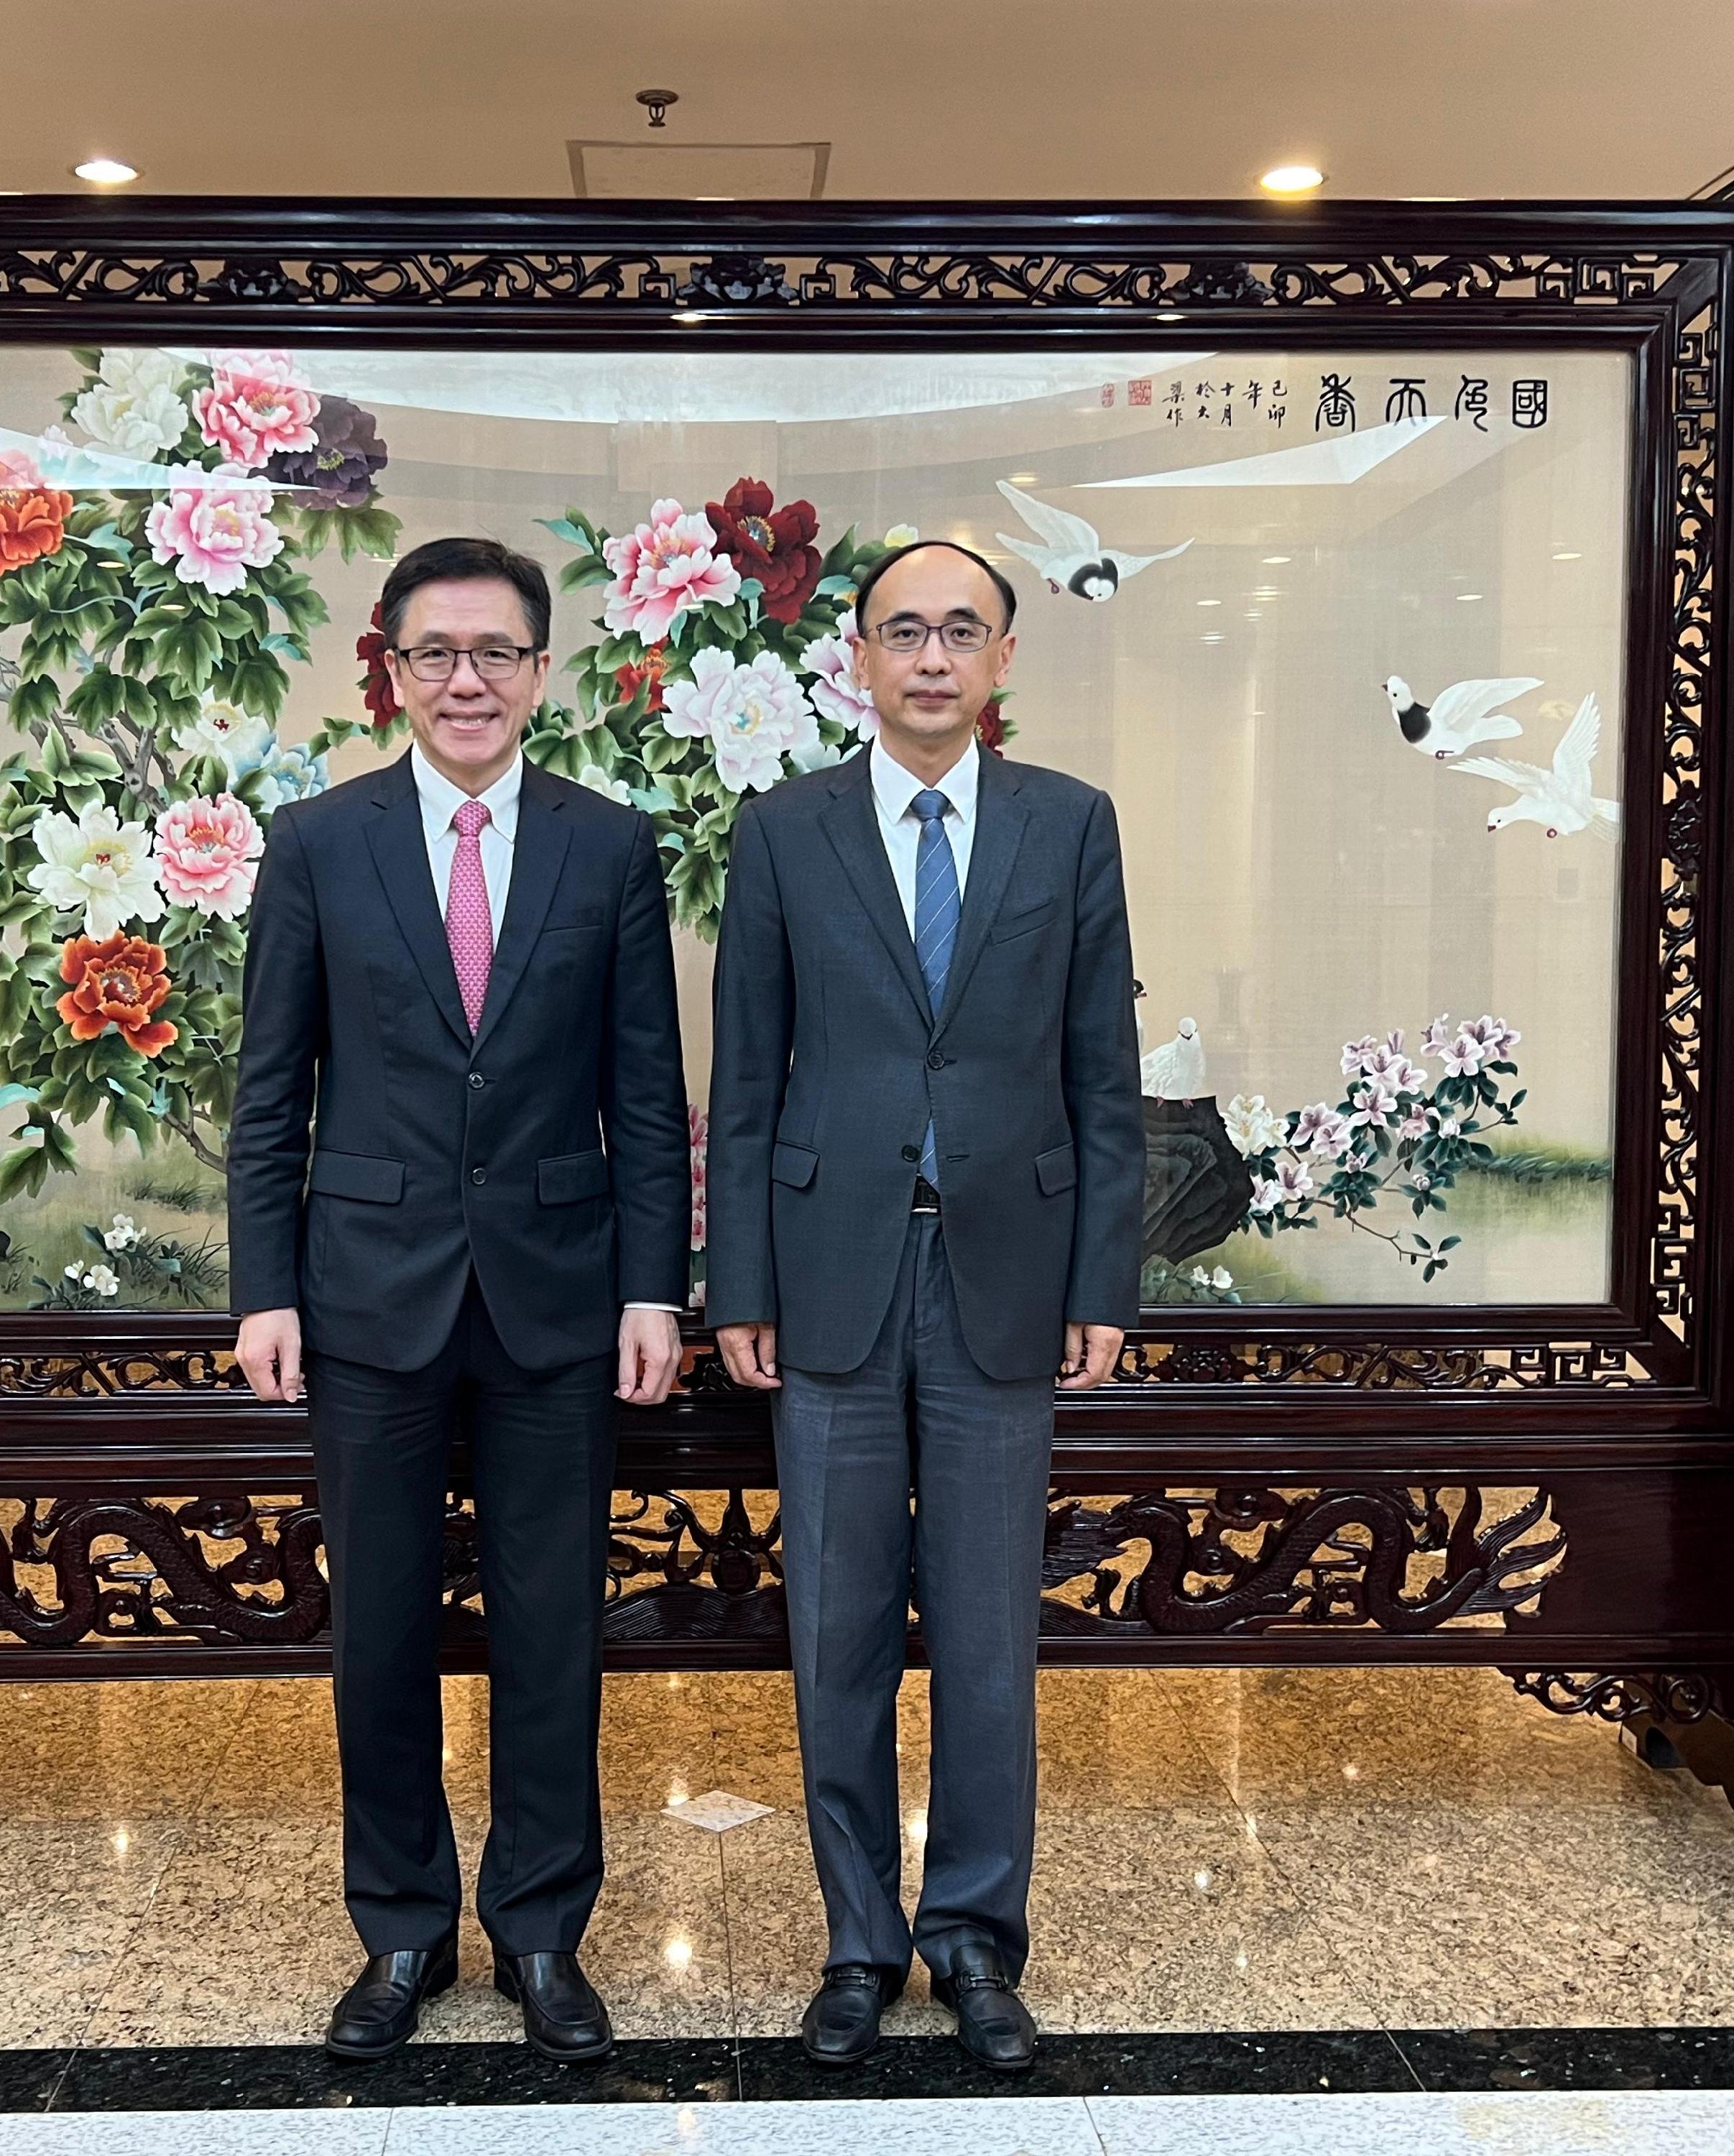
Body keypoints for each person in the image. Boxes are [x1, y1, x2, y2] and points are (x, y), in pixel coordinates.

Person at [227, 535, 689, 2064]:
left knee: (552, 1626)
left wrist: (652, 1291)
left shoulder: (608, 847)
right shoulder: (314, 842)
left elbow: (642, 1090)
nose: (465, 680)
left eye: (495, 653)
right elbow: (267, 1092)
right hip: (363, 1300)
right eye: (434, 654)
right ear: (393, 671)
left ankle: (544, 1929)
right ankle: (404, 1928)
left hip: (559, 1305)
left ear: (539, 673)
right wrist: (263, 1289)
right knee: (377, 1630)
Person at [706, 538, 1143, 2072]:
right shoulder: (781, 832)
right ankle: (855, 1942)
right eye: (904, 631)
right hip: (826, 1277)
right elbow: (743, 1078)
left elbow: (1101, 1076)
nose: (932, 656)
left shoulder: (1068, 828)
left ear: (1003, 657)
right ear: (859, 660)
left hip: (1006, 1283)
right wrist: (736, 1283)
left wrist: (1104, 1277)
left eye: (961, 629)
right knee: (831, 1634)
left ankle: (971, 1940)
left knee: (981, 1636)